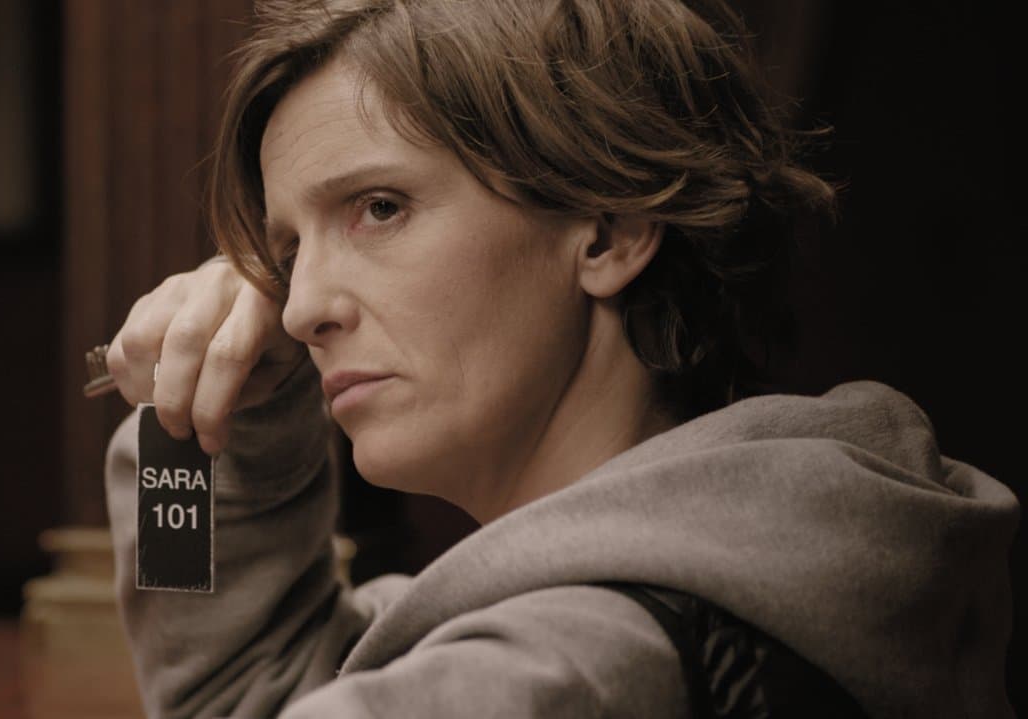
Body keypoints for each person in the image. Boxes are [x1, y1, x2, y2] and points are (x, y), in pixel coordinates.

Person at [99, 0, 1018, 717]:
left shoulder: (560, 671)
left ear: (610, 231)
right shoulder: (773, 575)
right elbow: (241, 692)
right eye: (290, 249)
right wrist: (209, 425)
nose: (298, 309)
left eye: (380, 208)